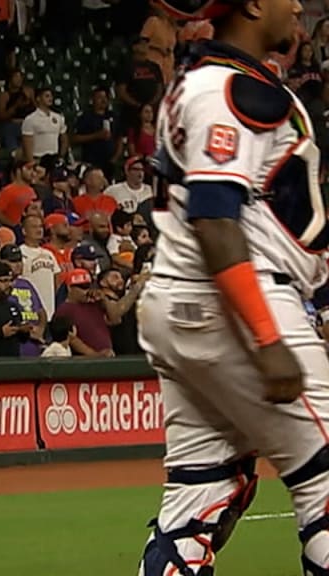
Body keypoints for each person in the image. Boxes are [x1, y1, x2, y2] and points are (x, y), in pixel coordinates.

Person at [137, 2, 329, 574]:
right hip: (235, 306)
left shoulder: (204, 82)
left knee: (200, 497)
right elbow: (216, 218)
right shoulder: (226, 89)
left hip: (184, 305)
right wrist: (267, 338)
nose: (297, 4)